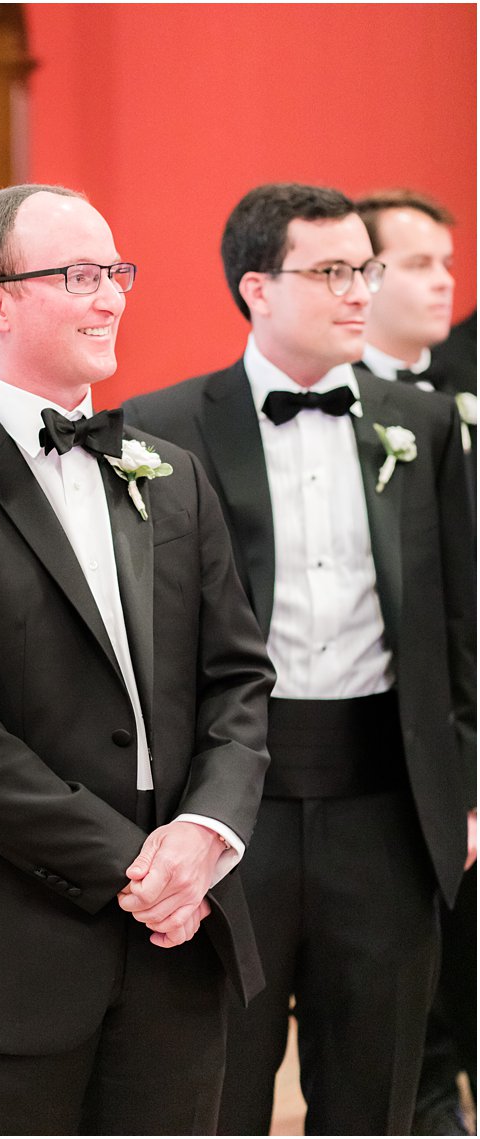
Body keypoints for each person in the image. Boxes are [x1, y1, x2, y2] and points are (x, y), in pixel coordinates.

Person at [0, 184, 276, 1135]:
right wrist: (138, 864)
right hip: (16, 936)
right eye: (80, 275)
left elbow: (240, 682)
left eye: (116, 273)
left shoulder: (171, 477)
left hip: (184, 927)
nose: (112, 297)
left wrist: (205, 835)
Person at [124, 182, 477, 1135]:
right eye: (331, 271)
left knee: (376, 1092)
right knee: (216, 1089)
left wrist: (468, 787)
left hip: (387, 808)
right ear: (257, 288)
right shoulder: (161, 428)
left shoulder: (426, 423)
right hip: (230, 811)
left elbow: (459, 625)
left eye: (365, 267)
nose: (360, 289)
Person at [355, 188, 477, 1135]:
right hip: (401, 765)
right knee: (414, 1028)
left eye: (450, 260)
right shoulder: (339, 411)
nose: (447, 280)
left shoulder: (465, 378)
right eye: (422, 262)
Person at [354, 191, 474, 397]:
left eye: (446, 265)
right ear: (366, 273)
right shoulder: (334, 387)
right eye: (419, 265)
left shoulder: (469, 374)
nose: (446, 282)